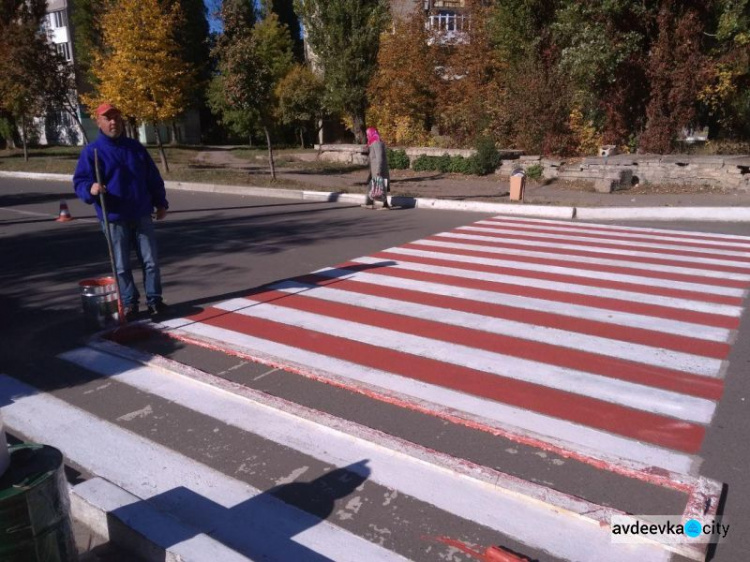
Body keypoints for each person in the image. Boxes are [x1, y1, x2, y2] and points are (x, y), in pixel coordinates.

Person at [73, 103, 169, 321]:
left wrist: (160, 203)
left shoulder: (135, 148)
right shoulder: (92, 152)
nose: (113, 122)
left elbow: (152, 178)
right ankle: (129, 303)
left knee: (151, 261)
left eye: (116, 117)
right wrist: (91, 188)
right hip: (114, 217)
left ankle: (155, 301)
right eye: (108, 118)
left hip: (141, 213)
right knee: (121, 265)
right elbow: (80, 181)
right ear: (99, 122)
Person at [365, 127, 391, 209]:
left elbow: (379, 157)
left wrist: (378, 170)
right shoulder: (373, 143)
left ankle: (385, 204)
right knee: (374, 185)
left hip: (378, 169)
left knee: (381, 186)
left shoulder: (377, 143)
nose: (366, 136)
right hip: (374, 169)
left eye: (367, 134)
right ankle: (369, 203)